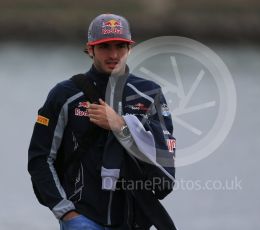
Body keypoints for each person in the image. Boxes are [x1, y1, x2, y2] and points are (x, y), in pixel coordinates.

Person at [28, 13, 176, 230]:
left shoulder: (149, 93)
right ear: (90, 49)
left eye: (120, 46)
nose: (113, 54)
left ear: (130, 48)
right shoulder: (64, 94)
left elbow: (166, 166)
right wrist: (66, 212)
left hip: (134, 220)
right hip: (82, 219)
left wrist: (121, 126)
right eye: (105, 46)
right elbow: (40, 158)